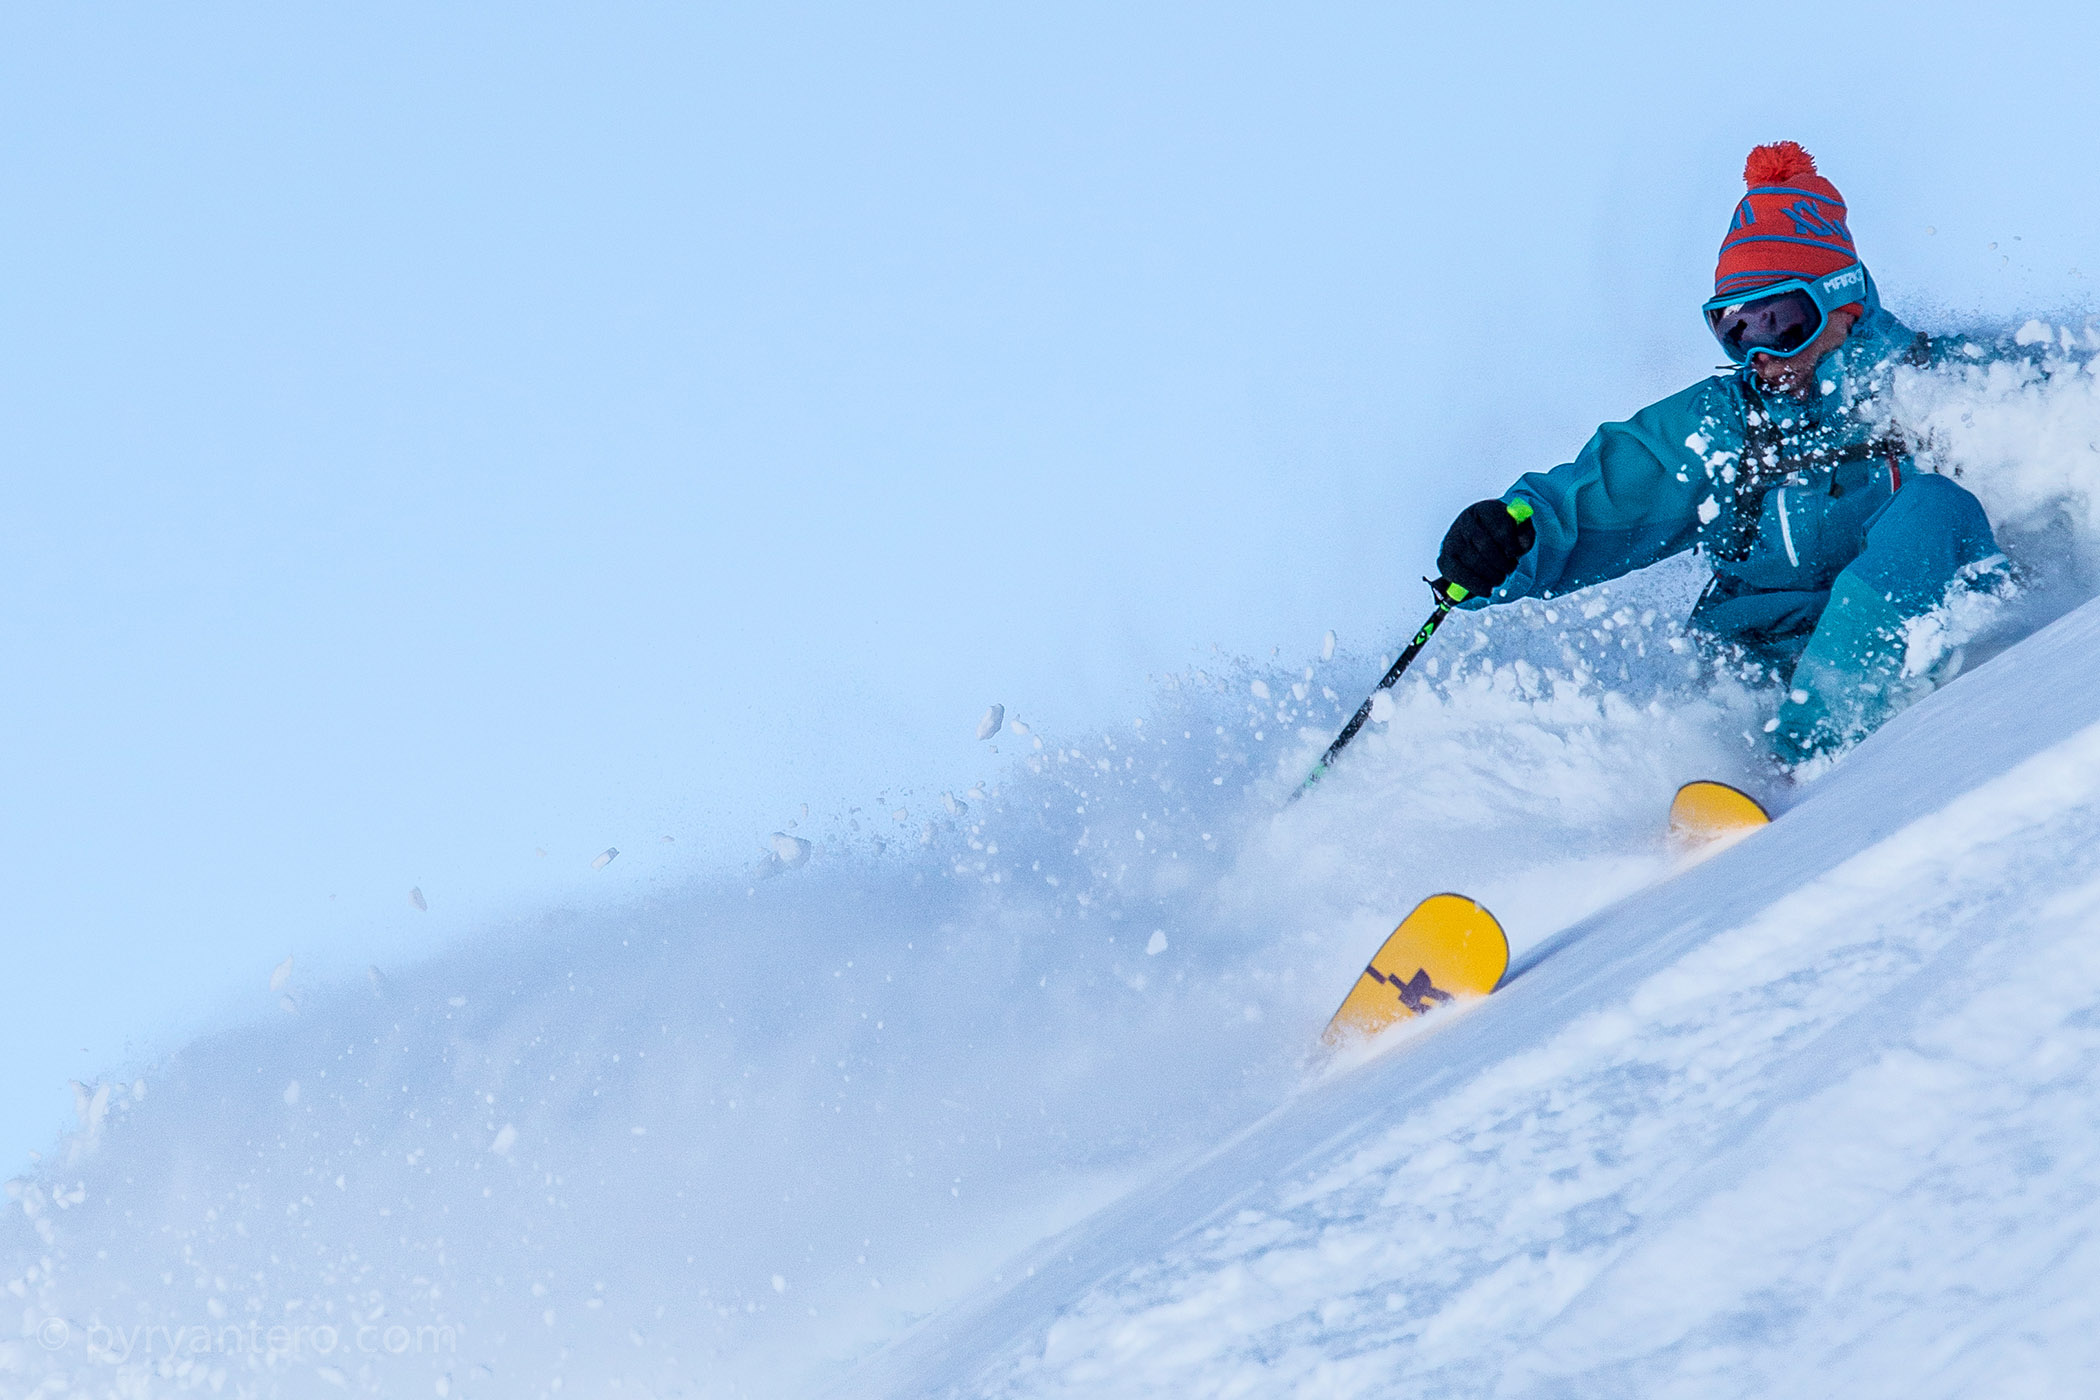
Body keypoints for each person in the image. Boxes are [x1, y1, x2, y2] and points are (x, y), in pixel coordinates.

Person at [1437, 141, 2001, 763]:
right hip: (1756, 682)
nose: (1760, 350)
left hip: (1925, 655)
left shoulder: (1947, 386)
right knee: (1711, 697)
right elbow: (1608, 494)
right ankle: (1742, 788)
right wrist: (1511, 540)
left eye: (1780, 320)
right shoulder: (1722, 424)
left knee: (1934, 507)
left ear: (1842, 302)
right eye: (1734, 328)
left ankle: (1807, 764)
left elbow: (2069, 418)